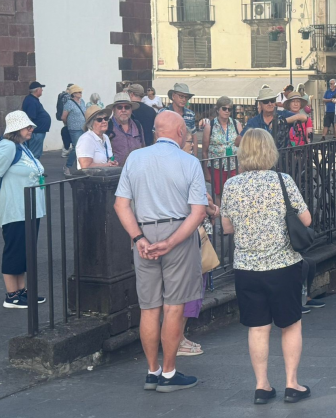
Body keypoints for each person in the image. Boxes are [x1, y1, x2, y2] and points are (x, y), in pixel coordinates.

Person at [113, 111, 208, 393]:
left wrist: (138, 237)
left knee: (149, 307)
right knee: (174, 306)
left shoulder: (135, 158)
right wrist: (172, 241)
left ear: (155, 132)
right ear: (180, 132)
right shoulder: (189, 162)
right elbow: (198, 212)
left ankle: (152, 372)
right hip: (177, 233)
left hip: (144, 233)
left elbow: (120, 205)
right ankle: (169, 373)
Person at [221, 128, 311, 404]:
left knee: (258, 327)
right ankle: (292, 384)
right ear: (270, 150)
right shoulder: (282, 181)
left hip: (247, 267)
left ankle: (262, 386)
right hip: (283, 264)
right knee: (290, 324)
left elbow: (226, 227)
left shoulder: (231, 185)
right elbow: (305, 220)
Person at [0, 111, 46, 309]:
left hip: (28, 207)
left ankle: (21, 291)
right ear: (17, 129)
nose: (31, 129)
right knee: (15, 249)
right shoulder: (7, 146)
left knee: (25, 250)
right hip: (15, 207)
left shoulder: (21, 147)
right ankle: (12, 295)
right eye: (28, 127)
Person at [178, 128, 220, 357]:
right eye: (187, 141)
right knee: (190, 289)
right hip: (193, 232)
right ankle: (178, 338)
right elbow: (200, 201)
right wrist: (213, 208)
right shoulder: (186, 165)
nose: (192, 145)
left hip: (191, 230)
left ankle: (178, 336)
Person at [236, 87, 307, 149]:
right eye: (266, 101)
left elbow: (303, 117)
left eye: (272, 100)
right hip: (262, 160)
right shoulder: (254, 122)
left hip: (282, 159)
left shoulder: (283, 114)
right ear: (260, 104)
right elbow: (238, 142)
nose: (270, 104)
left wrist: (281, 121)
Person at [201, 96, 242, 196]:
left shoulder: (236, 124)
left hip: (234, 165)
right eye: (224, 108)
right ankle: (220, 211)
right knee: (219, 193)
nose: (227, 111)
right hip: (217, 165)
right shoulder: (210, 126)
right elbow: (204, 151)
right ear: (218, 109)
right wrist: (206, 172)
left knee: (236, 192)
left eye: (229, 109)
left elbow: (243, 146)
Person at [107, 92, 144, 166]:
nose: (123, 110)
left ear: (131, 110)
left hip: (136, 170)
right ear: (114, 110)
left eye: (127, 107)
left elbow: (143, 146)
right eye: (119, 107)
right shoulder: (108, 126)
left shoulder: (137, 125)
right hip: (116, 173)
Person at [21, 81, 51, 159]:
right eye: (41, 89)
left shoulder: (33, 100)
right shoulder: (31, 101)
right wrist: (29, 131)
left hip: (38, 131)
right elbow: (30, 117)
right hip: (36, 132)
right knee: (35, 153)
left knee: (36, 152)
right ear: (37, 90)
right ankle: (33, 170)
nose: (42, 90)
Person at [61, 84, 87, 175]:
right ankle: (67, 166)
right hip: (74, 129)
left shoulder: (82, 102)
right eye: (79, 92)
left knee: (83, 148)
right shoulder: (69, 103)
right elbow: (63, 117)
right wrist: (68, 124)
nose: (81, 93)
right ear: (74, 93)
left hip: (84, 127)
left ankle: (80, 166)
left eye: (81, 92)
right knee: (76, 148)